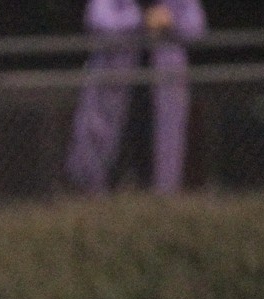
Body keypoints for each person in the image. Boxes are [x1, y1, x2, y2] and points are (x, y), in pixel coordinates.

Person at [65, 0, 208, 195]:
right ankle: (99, 197)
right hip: (114, 86)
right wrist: (141, 20)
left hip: (163, 87)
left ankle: (160, 203)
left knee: (161, 148)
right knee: (103, 144)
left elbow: (197, 28)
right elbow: (98, 22)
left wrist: (170, 21)